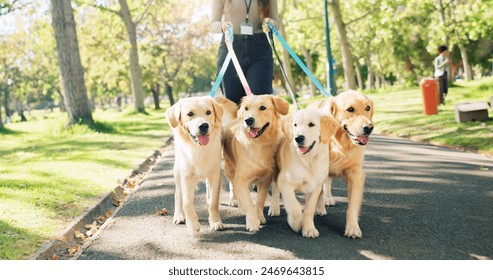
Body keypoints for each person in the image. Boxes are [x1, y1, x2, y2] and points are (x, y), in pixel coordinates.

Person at [211, 0, 279, 104]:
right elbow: (213, 24)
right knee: (232, 103)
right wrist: (222, 26)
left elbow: (276, 22)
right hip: (231, 46)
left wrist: (271, 23)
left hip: (259, 49)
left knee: (260, 102)